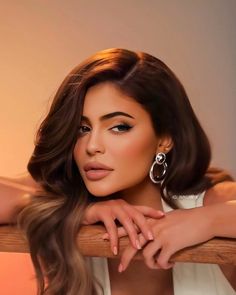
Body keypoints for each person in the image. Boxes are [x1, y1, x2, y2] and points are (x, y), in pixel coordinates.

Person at [1, 48, 236, 295]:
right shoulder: (68, 194)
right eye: (82, 128)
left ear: (164, 138)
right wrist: (76, 210)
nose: (92, 146)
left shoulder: (208, 201)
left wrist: (208, 221)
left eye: (119, 127)